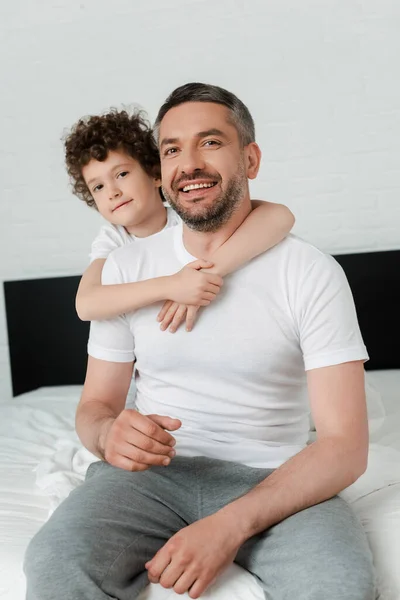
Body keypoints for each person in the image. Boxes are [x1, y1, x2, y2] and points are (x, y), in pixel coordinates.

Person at [24, 84, 375, 600]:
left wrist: (228, 526)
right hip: (149, 479)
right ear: (162, 171)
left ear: (250, 159)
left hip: (276, 479)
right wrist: (107, 435)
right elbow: (95, 407)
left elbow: (344, 446)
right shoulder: (125, 268)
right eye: (171, 150)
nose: (188, 164)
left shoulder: (310, 273)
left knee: (339, 585)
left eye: (210, 143)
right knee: (54, 562)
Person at [64, 109, 295, 333]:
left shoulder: (188, 216)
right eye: (98, 187)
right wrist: (171, 286)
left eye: (122, 174)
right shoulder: (113, 239)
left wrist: (208, 274)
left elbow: (281, 217)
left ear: (156, 174)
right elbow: (86, 304)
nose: (112, 192)